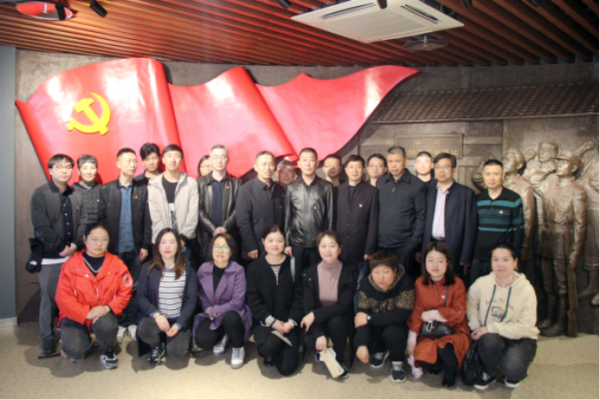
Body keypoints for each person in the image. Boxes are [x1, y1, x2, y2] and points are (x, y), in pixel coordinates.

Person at [30, 154, 88, 357]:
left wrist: (76, 244)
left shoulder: (76, 194)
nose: (64, 170)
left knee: (74, 298)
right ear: (50, 170)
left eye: (68, 167)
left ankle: (71, 336)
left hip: (74, 256)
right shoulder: (40, 194)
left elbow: (83, 222)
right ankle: (47, 340)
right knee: (49, 300)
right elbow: (41, 227)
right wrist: (59, 247)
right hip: (50, 257)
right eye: (59, 166)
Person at [55, 222, 133, 369]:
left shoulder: (117, 264)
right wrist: (87, 313)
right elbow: (62, 297)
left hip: (103, 313)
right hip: (75, 315)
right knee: (75, 350)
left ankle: (107, 350)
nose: (99, 244)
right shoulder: (70, 265)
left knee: (107, 324)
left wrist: (108, 308)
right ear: (85, 239)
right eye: (94, 239)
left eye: (104, 240)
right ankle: (77, 342)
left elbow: (126, 291)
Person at [98, 148, 152, 344]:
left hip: (136, 249)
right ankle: (120, 322)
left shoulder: (142, 189)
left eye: (134, 161)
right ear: (118, 164)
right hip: (114, 249)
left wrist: (145, 244)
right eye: (128, 161)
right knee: (116, 287)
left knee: (135, 286)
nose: (133, 164)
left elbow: (147, 220)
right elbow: (101, 220)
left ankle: (132, 322)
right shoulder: (106, 190)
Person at [467, 243, 539, 390]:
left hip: (521, 337)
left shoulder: (526, 289)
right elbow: (471, 303)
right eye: (496, 260)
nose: (500, 265)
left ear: (515, 262)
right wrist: (475, 325)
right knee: (487, 341)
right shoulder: (482, 283)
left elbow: (525, 325)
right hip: (492, 335)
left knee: (512, 369)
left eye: (506, 260)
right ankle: (490, 371)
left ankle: (512, 369)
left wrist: (491, 328)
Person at [407, 242, 472, 388]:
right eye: (430, 260)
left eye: (440, 261)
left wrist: (434, 314)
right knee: (421, 357)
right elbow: (417, 311)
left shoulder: (457, 283)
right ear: (424, 262)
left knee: (446, 347)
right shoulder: (419, 283)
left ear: (448, 262)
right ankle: (435, 361)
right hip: (430, 331)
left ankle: (450, 369)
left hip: (454, 330)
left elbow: (459, 312)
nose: (435, 265)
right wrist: (412, 337)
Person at [247, 225, 304, 377]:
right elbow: (253, 301)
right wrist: (273, 322)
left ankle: (285, 345)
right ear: (263, 242)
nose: (275, 244)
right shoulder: (254, 268)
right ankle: (274, 348)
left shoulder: (294, 264)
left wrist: (291, 322)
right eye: (270, 240)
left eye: (279, 240)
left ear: (285, 241)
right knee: (269, 346)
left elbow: (300, 298)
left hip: (288, 324)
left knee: (286, 369)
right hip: (265, 323)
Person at [136, 228, 198, 366]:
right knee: (144, 329)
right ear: (158, 246)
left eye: (172, 242)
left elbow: (191, 301)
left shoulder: (188, 269)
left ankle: (171, 340)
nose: (167, 246)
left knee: (177, 353)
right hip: (157, 319)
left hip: (177, 320)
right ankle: (158, 346)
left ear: (179, 246)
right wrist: (157, 315)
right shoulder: (148, 268)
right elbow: (141, 297)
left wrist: (179, 323)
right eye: (163, 242)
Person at [301, 231, 357, 380]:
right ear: (318, 248)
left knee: (337, 322)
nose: (328, 250)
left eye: (332, 246)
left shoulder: (349, 271)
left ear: (340, 248)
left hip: (339, 317)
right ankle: (322, 349)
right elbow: (308, 307)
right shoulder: (310, 273)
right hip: (319, 320)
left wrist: (315, 315)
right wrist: (319, 334)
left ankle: (339, 357)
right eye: (323, 246)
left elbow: (344, 305)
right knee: (310, 339)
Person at [194, 234, 252, 370]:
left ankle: (238, 347)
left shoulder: (238, 270)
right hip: (212, 314)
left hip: (233, 313)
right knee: (202, 340)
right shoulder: (203, 268)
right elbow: (200, 292)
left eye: (225, 247)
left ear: (231, 251)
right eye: (217, 247)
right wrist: (207, 307)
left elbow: (237, 302)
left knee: (230, 318)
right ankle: (224, 335)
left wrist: (214, 311)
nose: (220, 251)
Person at [355, 251, 415, 383]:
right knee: (368, 339)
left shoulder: (405, 282)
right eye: (376, 272)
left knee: (393, 333)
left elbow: (400, 316)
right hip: (376, 322)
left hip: (397, 324)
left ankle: (397, 362)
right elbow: (361, 316)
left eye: (385, 272)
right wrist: (361, 344)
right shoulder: (366, 283)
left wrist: (369, 318)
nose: (380, 277)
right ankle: (381, 350)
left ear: (394, 271)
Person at [422, 153, 477, 282]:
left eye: (446, 167)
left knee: (452, 282)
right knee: (430, 282)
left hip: (454, 247)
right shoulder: (427, 191)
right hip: (430, 245)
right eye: (438, 167)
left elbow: (470, 227)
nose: (441, 171)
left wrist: (466, 256)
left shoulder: (466, 194)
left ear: (453, 169)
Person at [472, 160, 525, 284]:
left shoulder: (513, 199)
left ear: (503, 175)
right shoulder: (477, 199)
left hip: (503, 259)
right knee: (478, 291)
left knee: (501, 292)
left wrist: (515, 258)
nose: (492, 178)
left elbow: (518, 231)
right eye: (488, 174)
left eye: (496, 174)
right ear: (483, 176)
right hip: (479, 258)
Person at [377, 146, 427, 280]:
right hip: (380, 245)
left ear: (405, 161)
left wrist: (413, 243)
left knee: (401, 282)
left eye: (397, 161)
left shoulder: (416, 185)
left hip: (403, 245)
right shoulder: (381, 182)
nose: (394, 165)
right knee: (382, 281)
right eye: (390, 161)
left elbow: (421, 216)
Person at [335, 155, 379, 302]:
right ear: (345, 170)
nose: (355, 170)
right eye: (351, 167)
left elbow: (373, 222)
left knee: (359, 286)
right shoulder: (336, 190)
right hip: (340, 249)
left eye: (358, 167)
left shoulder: (372, 192)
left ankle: (357, 313)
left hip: (360, 249)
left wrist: (369, 249)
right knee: (339, 285)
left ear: (363, 169)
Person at [284, 148, 334, 272]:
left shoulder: (327, 187)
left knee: (318, 277)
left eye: (311, 160)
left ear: (317, 163)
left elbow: (330, 217)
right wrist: (287, 243)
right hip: (297, 244)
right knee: (297, 279)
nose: (308, 163)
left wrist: (328, 242)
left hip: (318, 243)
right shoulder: (292, 187)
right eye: (304, 160)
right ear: (299, 164)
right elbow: (287, 217)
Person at [148, 144, 199, 264]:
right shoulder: (153, 184)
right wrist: (166, 239)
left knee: (184, 271)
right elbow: (154, 214)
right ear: (163, 160)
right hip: (161, 241)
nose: (173, 159)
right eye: (169, 156)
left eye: (177, 156)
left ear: (181, 160)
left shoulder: (190, 183)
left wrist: (183, 237)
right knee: (161, 272)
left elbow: (193, 213)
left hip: (185, 241)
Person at [236, 151, 286, 263]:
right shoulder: (246, 190)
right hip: (257, 249)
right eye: (263, 164)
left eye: (271, 164)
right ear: (256, 167)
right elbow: (243, 221)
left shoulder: (279, 189)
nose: (267, 168)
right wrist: (251, 246)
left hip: (277, 247)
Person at [198, 145, 242, 263]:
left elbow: (238, 208)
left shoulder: (236, 183)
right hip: (207, 237)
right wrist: (213, 229)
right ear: (210, 160)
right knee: (207, 270)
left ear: (228, 159)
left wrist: (224, 228)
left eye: (223, 157)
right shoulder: (200, 183)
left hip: (229, 235)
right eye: (215, 157)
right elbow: (198, 209)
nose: (219, 160)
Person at [72, 154, 101, 223]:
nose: (89, 172)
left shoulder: (102, 189)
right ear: (79, 171)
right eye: (85, 168)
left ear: (96, 170)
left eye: (92, 168)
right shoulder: (72, 191)